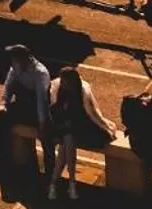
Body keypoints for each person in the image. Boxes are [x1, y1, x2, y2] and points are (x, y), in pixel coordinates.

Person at [47, 65, 111, 200]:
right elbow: (54, 110)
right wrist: (64, 123)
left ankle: (55, 183)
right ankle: (71, 183)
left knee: (66, 144)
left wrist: (106, 127)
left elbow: (91, 114)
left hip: (82, 127)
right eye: (63, 82)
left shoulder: (82, 91)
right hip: (63, 127)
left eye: (67, 82)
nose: (64, 84)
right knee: (67, 142)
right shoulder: (57, 88)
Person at [1, 45, 51, 179]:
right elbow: (8, 86)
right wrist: (4, 104)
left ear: (24, 58)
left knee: (47, 139)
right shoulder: (16, 68)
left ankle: (49, 172)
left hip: (39, 110)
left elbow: (42, 100)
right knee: (1, 118)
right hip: (24, 107)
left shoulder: (40, 73)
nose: (13, 61)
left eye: (15, 58)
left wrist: (42, 124)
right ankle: (5, 159)